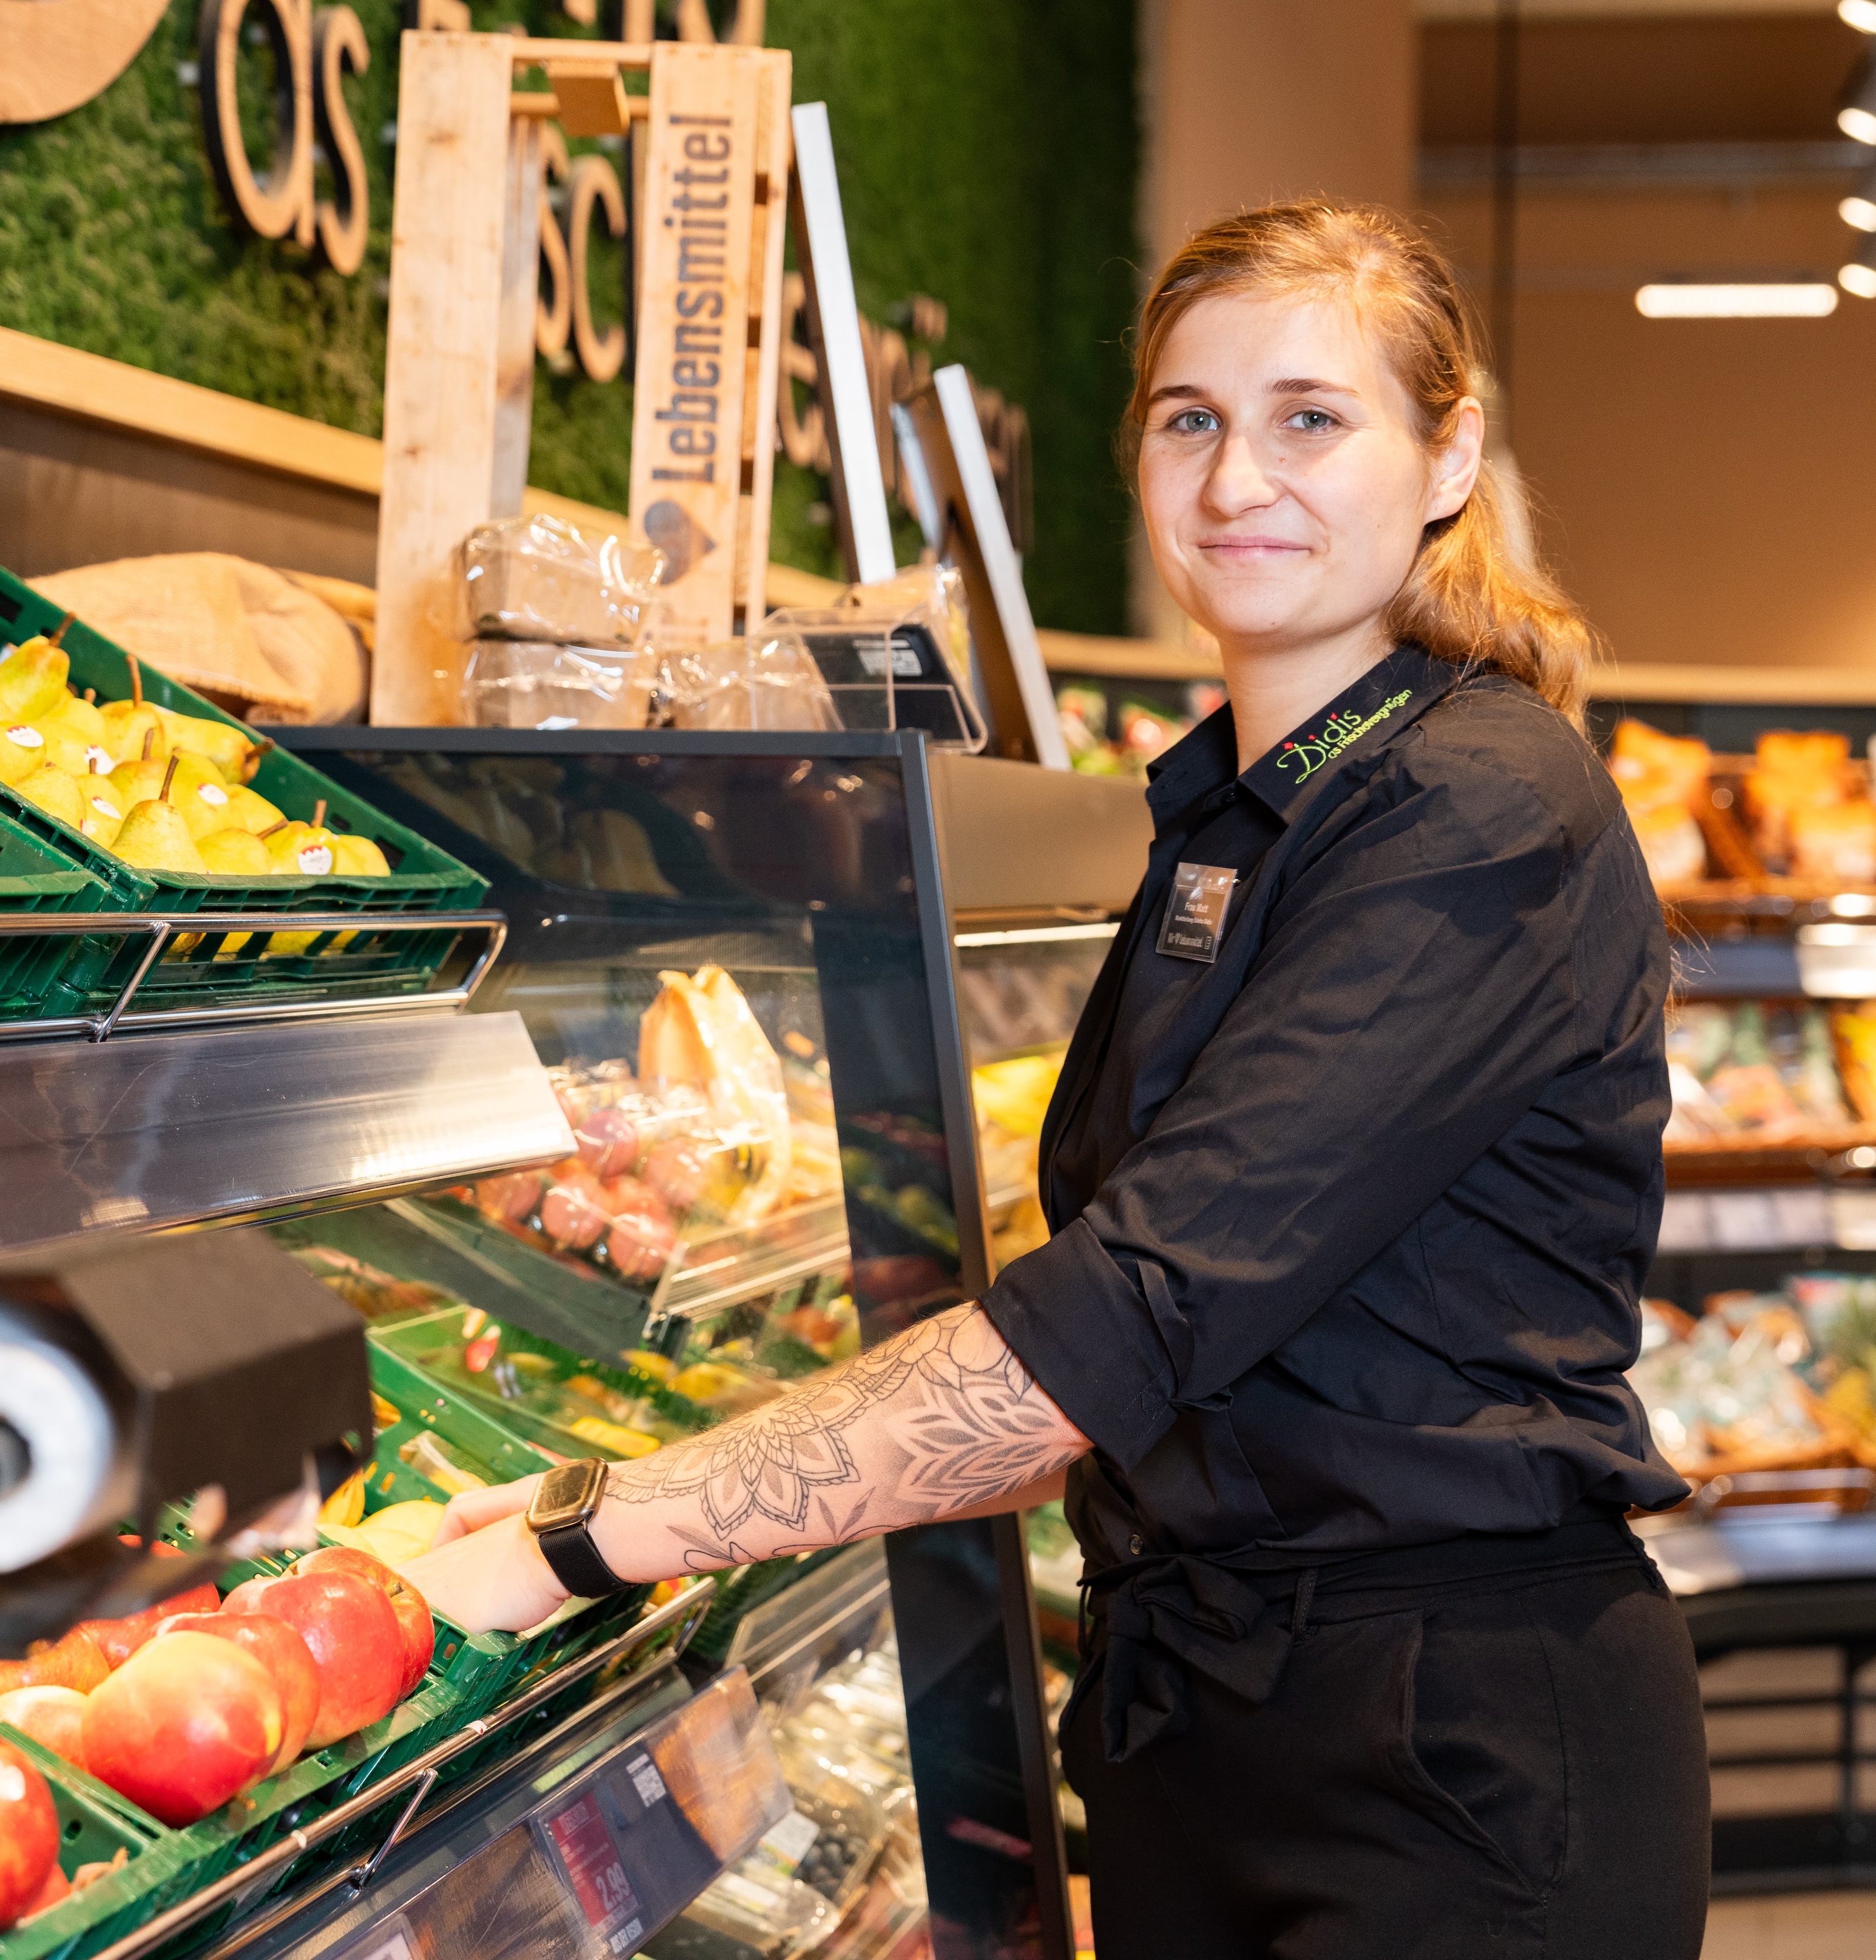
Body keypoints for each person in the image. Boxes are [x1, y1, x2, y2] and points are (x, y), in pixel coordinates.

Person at [401, 199, 1710, 1959]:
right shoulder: (1233, 818)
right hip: (1204, 1730)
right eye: (1192, 421)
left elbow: (1120, 1322)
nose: (1240, 478)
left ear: (1449, 452)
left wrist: (576, 1536)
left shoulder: (1478, 808)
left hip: (1445, 1772)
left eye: (1312, 417)